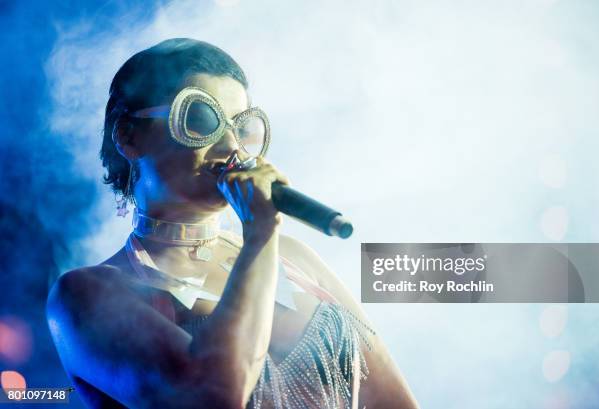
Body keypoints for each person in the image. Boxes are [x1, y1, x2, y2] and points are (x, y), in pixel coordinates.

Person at [46, 38, 419, 409]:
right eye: (199, 120)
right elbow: (213, 397)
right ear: (129, 136)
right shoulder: (86, 294)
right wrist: (259, 232)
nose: (231, 147)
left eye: (242, 129)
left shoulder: (294, 260)